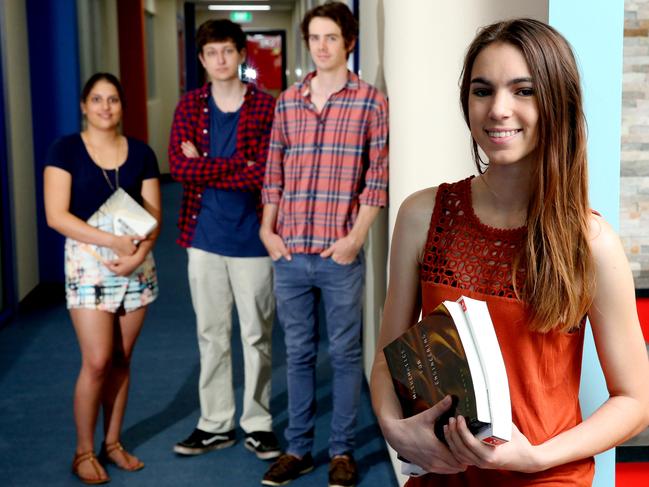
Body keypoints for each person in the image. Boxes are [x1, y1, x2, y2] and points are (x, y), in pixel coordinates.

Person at [370, 18, 649, 486]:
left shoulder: (591, 242)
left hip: (546, 475)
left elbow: (636, 401)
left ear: (557, 102)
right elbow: (386, 357)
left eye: (524, 91)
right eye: (483, 91)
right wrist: (394, 428)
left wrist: (536, 458)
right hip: (442, 472)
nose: (499, 109)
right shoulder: (421, 215)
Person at [259, 2, 389, 486]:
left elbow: (376, 179)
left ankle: (341, 451)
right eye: (314, 38)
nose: (322, 46)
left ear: (348, 42)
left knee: (346, 353)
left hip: (339, 253)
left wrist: (355, 239)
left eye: (331, 37)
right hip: (289, 249)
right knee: (297, 354)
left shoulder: (370, 102)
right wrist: (267, 231)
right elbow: (273, 171)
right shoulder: (288, 101)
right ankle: (298, 449)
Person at [168, 19, 280, 460]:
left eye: (227, 51)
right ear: (202, 60)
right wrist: (236, 165)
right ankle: (215, 423)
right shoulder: (189, 107)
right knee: (211, 335)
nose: (219, 60)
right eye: (211, 53)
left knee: (256, 336)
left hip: (253, 240)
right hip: (203, 238)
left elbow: (265, 173)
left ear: (240, 55)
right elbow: (179, 167)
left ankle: (258, 422)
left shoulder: (264, 107)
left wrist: (210, 162)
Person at [44, 73, 161, 484]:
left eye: (112, 99)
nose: (105, 107)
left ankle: (112, 444)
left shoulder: (142, 153)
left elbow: (154, 216)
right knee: (96, 361)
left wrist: (139, 254)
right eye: (97, 99)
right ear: (83, 105)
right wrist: (112, 241)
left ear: (121, 106)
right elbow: (56, 216)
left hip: (135, 264)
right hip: (88, 262)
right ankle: (83, 451)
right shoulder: (66, 150)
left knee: (121, 359)